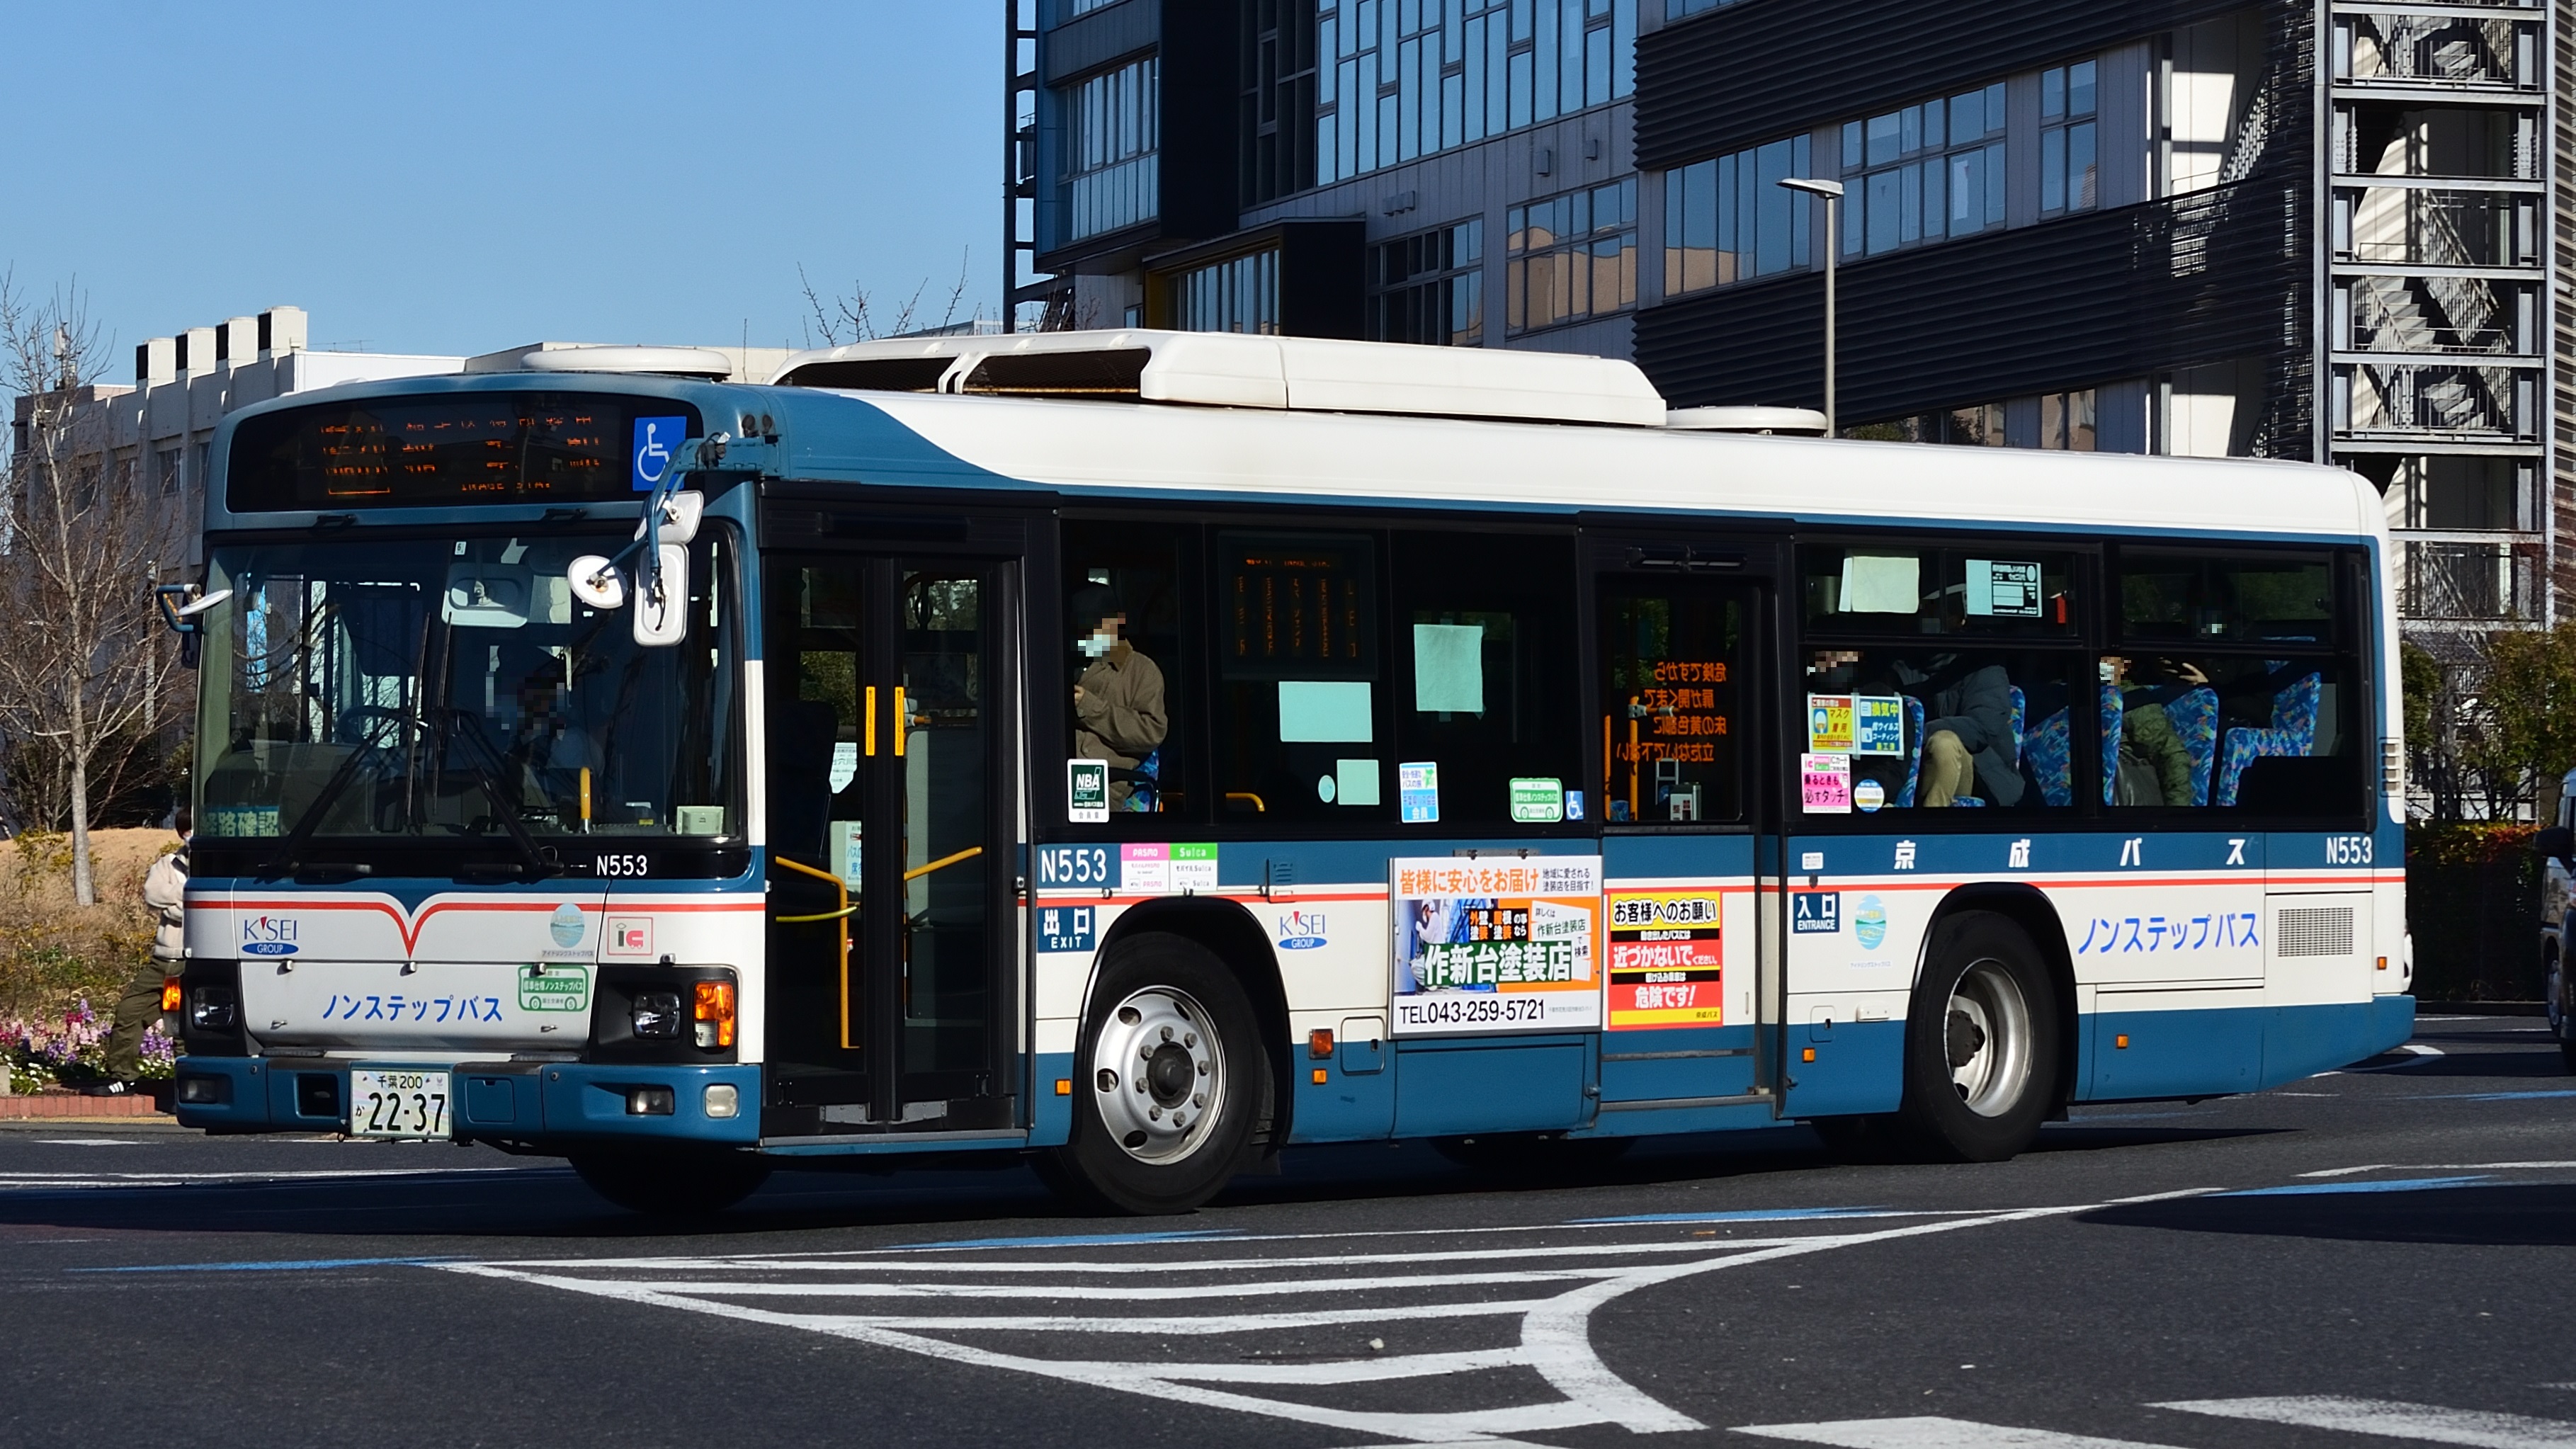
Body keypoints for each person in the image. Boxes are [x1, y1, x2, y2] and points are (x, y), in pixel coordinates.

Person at [95, 807, 190, 1096]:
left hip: (192, 962)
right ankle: (124, 1076)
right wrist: (187, 897)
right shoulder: (168, 863)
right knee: (129, 1011)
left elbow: (205, 904)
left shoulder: (218, 866)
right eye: (185, 831)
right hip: (161, 960)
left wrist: (177, 901)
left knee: (183, 1024)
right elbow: (152, 894)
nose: (190, 836)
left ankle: (188, 1082)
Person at [1070, 584, 1167, 810]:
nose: (1086, 636)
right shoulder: (1063, 659)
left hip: (1103, 788)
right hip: (1051, 780)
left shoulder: (1140, 671)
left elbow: (1152, 732)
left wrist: (1089, 707)